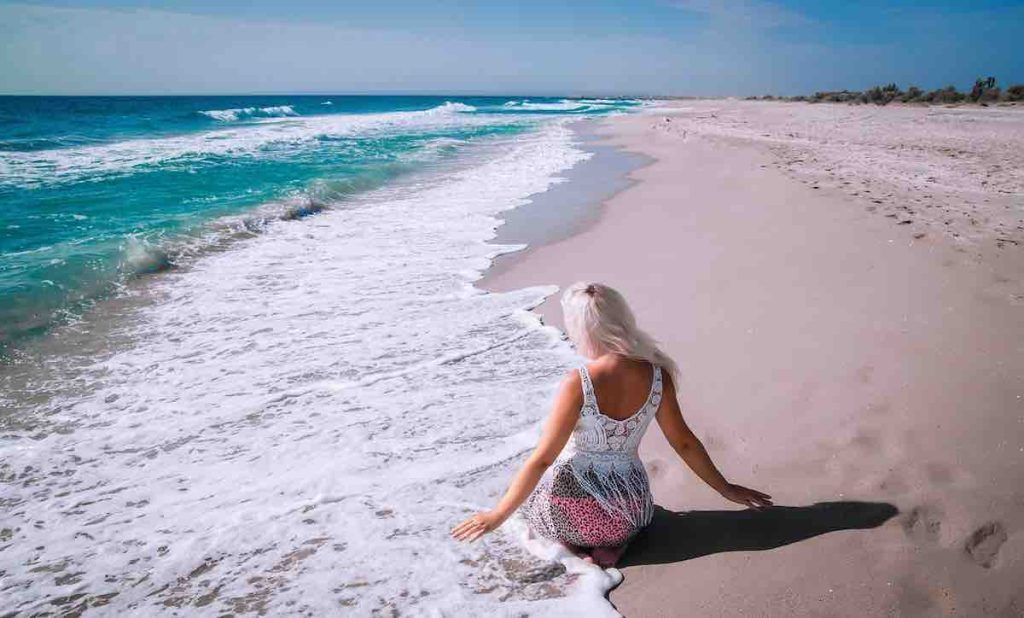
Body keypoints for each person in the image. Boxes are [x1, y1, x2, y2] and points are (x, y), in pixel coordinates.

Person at [451, 282, 771, 567]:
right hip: (630, 513)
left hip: (572, 517)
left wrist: (496, 516)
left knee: (520, 501)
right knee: (597, 508)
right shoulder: (658, 375)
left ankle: (574, 545)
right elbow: (684, 442)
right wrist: (725, 488)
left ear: (583, 329)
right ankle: (613, 544)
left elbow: (543, 458)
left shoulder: (579, 383)